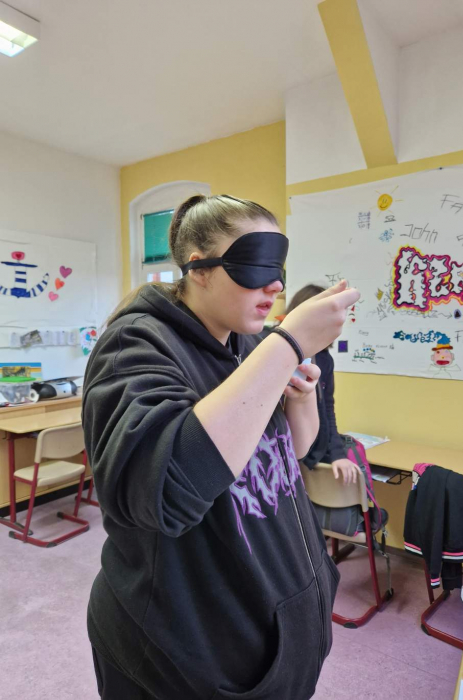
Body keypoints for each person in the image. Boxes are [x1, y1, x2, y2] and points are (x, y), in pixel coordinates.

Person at [82, 194, 360, 700]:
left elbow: (291, 454)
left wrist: (300, 397)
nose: (275, 286)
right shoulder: (134, 347)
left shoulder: (249, 344)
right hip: (187, 652)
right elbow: (165, 489)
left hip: (278, 625)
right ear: (201, 269)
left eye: (278, 268)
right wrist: (288, 344)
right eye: (256, 266)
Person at [285, 284, 387, 538]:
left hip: (314, 448)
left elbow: (327, 410)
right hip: (288, 454)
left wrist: (338, 454)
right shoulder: (282, 353)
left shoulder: (324, 359)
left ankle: (362, 519)